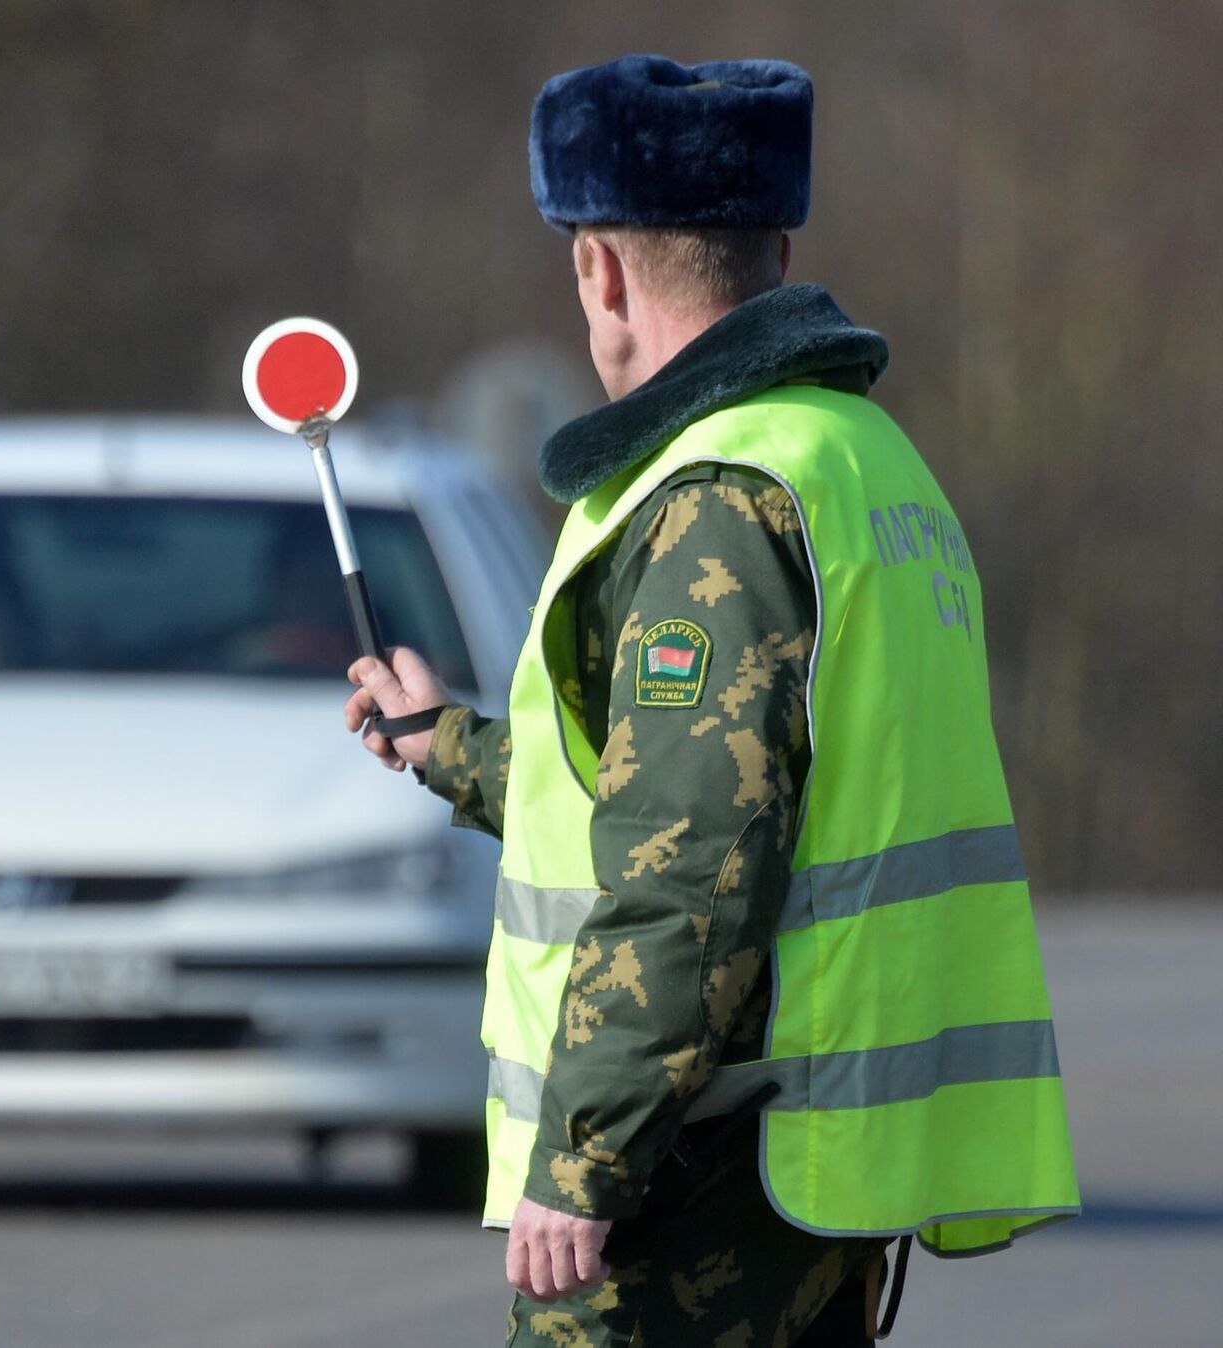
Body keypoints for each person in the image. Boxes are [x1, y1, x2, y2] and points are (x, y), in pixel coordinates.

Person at [343, 55, 1079, 1345]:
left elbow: (688, 867)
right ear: (775, 245)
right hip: (808, 1172)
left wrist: (585, 1155)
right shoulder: (860, 459)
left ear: (603, 270)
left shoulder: (717, 504)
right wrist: (449, 745)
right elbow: (696, 793)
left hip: (697, 1182)